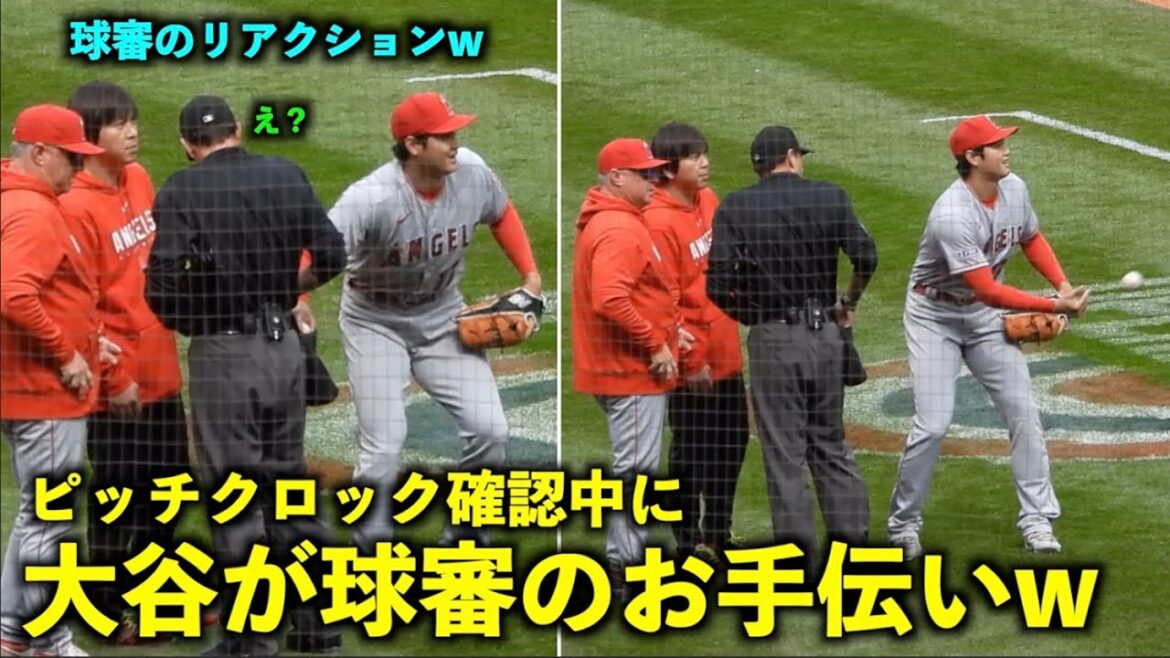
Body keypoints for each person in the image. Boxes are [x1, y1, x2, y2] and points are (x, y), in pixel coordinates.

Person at [144, 95, 347, 657]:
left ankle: (252, 641)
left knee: (236, 497)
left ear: (188, 144)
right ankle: (317, 626)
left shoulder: (183, 189)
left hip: (225, 354)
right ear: (237, 130)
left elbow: (160, 284)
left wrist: (193, 320)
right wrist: (287, 287)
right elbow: (331, 252)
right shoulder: (284, 171)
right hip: (286, 351)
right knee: (289, 492)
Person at [327, 91, 543, 551]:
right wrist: (300, 301)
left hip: (442, 314)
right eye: (444, 136)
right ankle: (370, 553)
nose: (455, 143)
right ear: (413, 145)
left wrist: (530, 275)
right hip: (374, 321)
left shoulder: (472, 174)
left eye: (454, 133)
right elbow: (318, 252)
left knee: (490, 430)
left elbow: (501, 213)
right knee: (384, 444)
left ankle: (465, 538)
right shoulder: (370, 198)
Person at [886, 115, 1090, 560]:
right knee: (934, 423)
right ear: (973, 158)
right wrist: (1053, 306)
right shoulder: (952, 214)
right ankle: (903, 525)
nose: (1006, 149)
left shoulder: (1014, 188)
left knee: (1023, 413)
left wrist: (1062, 285)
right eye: (996, 145)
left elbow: (1030, 237)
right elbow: (987, 289)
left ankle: (1037, 520)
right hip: (934, 316)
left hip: (981, 319)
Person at [706, 125, 878, 574]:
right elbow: (867, 257)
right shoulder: (829, 195)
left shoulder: (736, 206)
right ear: (790, 156)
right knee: (830, 444)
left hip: (773, 340)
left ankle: (799, 564)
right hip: (825, 335)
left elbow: (717, 284)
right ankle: (854, 555)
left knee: (784, 452)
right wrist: (847, 303)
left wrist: (752, 315)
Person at [58, 80, 192, 646]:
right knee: (118, 493)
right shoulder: (75, 205)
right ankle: (106, 606)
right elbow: (81, 302)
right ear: (89, 137)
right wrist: (115, 379)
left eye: (134, 120)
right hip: (118, 378)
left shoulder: (138, 178)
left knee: (171, 484)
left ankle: (155, 593)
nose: (133, 131)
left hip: (160, 363)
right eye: (118, 124)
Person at [1, 103, 105, 657]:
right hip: (41, 391)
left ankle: (19, 638)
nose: (77, 170)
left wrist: (90, 337)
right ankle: (40, 642)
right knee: (49, 519)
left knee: (37, 517)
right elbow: (14, 292)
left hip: (20, 382)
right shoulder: (34, 212)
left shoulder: (13, 196)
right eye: (70, 158)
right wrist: (68, 352)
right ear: (39, 153)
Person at [571, 137, 686, 600]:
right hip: (629, 370)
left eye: (657, 172)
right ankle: (621, 568)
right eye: (645, 173)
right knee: (635, 473)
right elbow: (611, 298)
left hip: (623, 365)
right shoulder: (619, 228)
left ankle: (625, 559)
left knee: (634, 468)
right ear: (617, 178)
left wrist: (672, 329)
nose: (656, 180)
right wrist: (656, 342)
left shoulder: (617, 218)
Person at [643, 123, 749, 565]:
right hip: (691, 358)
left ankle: (717, 535)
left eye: (705, 154)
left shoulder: (708, 200)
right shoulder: (657, 219)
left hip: (725, 348)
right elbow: (665, 300)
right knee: (691, 450)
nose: (705, 163)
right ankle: (686, 543)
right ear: (668, 168)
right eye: (694, 157)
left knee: (733, 442)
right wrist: (692, 360)